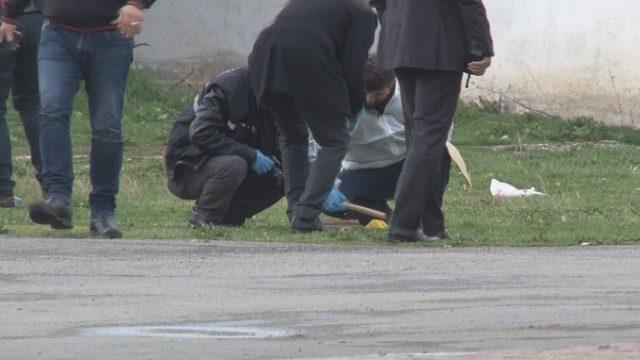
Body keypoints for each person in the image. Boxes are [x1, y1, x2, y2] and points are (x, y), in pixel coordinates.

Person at [0, 0, 156, 238]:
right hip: (57, 34)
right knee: (51, 112)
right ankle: (57, 198)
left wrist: (136, 4)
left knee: (107, 125)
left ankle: (103, 211)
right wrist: (10, 17)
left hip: (111, 36)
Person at [248, 0, 378, 233]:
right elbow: (353, 68)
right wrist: (355, 105)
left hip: (265, 58)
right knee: (335, 141)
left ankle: (298, 211)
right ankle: (306, 217)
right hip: (307, 60)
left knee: (293, 137)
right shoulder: (362, 13)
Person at [375, 0, 494, 243]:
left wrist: (396, 35)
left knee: (421, 139)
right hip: (440, 48)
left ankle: (430, 224)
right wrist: (481, 48)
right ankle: (404, 224)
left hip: (399, 46)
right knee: (429, 138)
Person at [311, 55, 453, 225]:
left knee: (439, 153)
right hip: (365, 171)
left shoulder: (411, 96)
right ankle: (382, 215)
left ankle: (423, 217)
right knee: (323, 197)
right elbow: (321, 147)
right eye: (366, 94)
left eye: (378, 94)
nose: (369, 100)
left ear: (392, 83)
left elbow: (437, 130)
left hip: (410, 163)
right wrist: (326, 184)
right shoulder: (343, 104)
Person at [165, 67, 284, 227]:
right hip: (189, 167)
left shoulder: (276, 97)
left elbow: (288, 149)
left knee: (283, 176)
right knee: (233, 165)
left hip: (231, 162)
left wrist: (315, 192)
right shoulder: (227, 87)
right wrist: (250, 155)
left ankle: (229, 217)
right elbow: (202, 133)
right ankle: (205, 217)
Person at [0, 0, 42, 208]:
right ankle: (53, 188)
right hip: (34, 16)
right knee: (32, 104)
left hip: (4, 15)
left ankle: (3, 191)